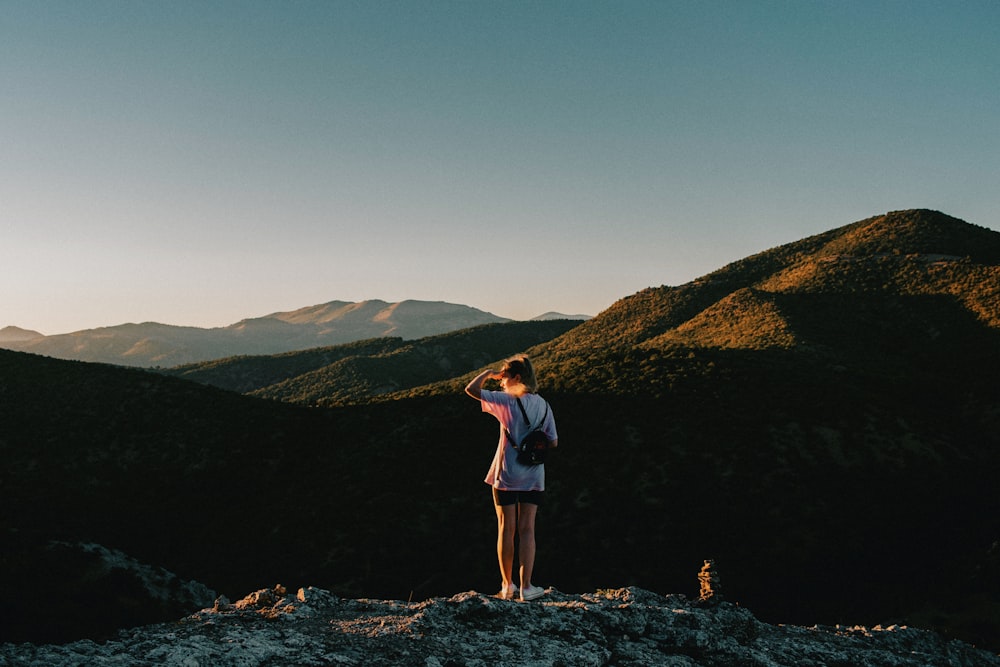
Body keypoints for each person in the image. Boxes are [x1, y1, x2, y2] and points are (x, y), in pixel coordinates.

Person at [464, 354, 558, 601]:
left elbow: (470, 389)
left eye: (504, 376)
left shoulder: (505, 401)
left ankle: (507, 586)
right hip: (534, 475)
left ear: (517, 377)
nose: (501, 381)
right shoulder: (544, 405)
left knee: (506, 528)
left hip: (507, 473)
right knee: (528, 529)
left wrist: (487, 373)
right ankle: (527, 587)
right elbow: (554, 441)